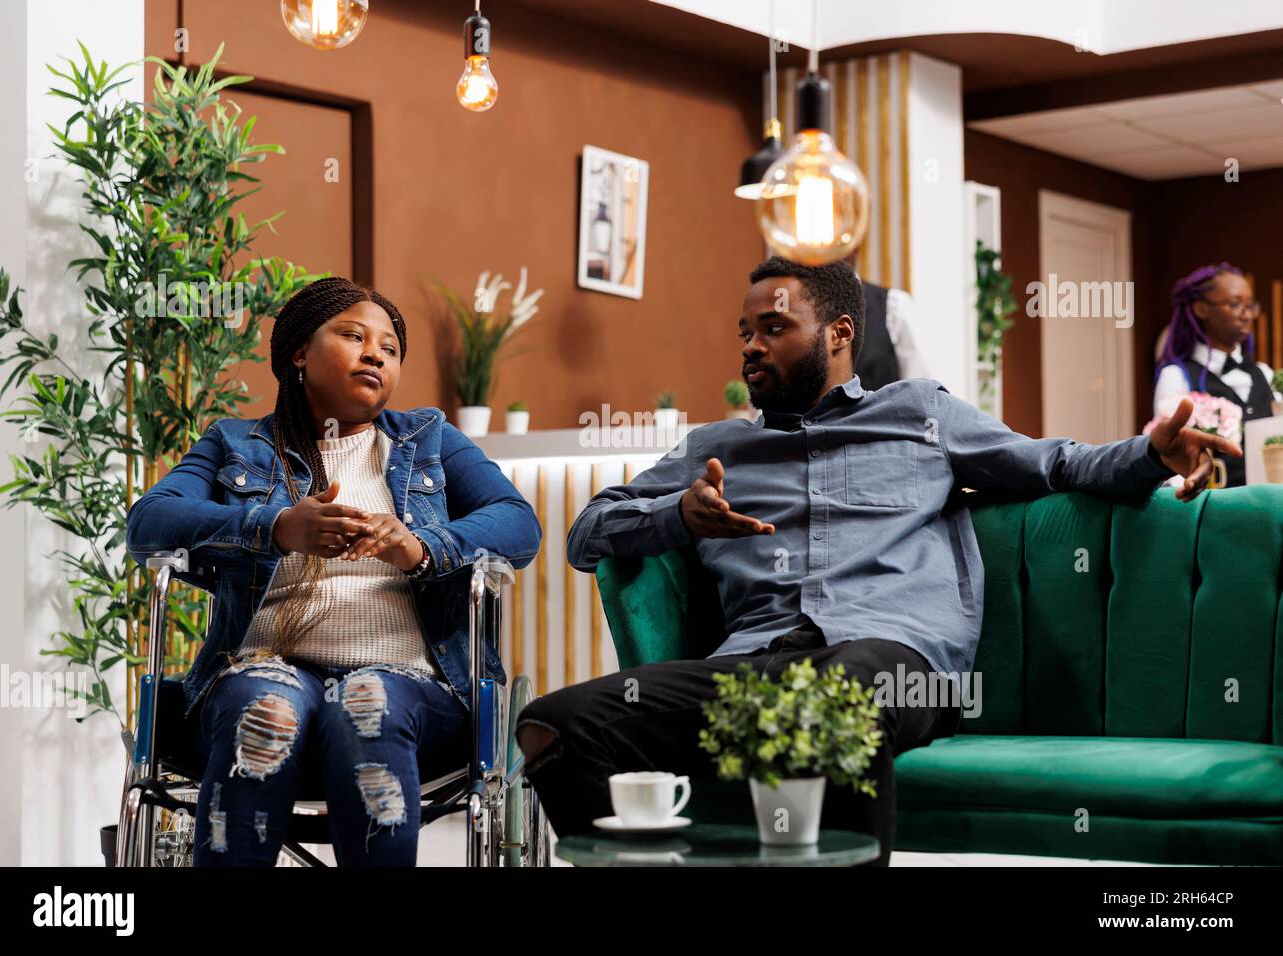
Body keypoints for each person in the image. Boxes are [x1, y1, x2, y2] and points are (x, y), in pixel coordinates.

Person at [515, 256, 1237, 866]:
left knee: (836, 698)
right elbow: (587, 532)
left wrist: (1151, 455)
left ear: (838, 334)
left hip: (893, 665)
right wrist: (676, 515)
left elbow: (1054, 463)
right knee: (555, 724)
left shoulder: (919, 414)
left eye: (774, 328)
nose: (751, 348)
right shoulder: (721, 447)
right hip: (752, 669)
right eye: (746, 332)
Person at [125, 277, 541, 866]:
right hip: (264, 670)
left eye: (391, 348)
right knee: (265, 710)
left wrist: (421, 548)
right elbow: (149, 521)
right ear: (299, 351)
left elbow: (519, 524)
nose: (376, 353)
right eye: (354, 336)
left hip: (413, 683)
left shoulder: (429, 440)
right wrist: (274, 527)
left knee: (365, 701)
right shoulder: (235, 442)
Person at [1153, 262, 1281, 487]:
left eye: (1250, 306)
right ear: (1201, 309)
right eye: (1235, 304)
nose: (1246, 315)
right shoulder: (1177, 376)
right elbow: (1171, 459)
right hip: (1213, 507)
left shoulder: (1265, 374)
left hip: (1269, 505)